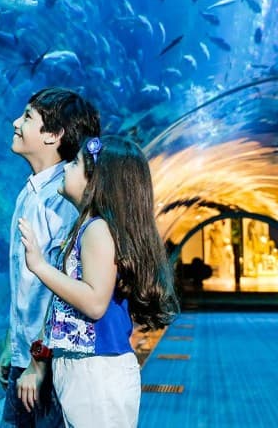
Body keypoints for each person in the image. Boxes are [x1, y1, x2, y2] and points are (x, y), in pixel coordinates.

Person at [18, 136, 180, 427]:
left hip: (97, 371)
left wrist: (40, 266)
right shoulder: (86, 227)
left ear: (95, 181)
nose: (67, 167)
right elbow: (62, 308)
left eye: (77, 162)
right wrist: (41, 360)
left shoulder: (97, 230)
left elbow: (94, 303)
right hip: (87, 368)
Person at [0, 87, 100, 428]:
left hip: (49, 364)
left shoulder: (62, 202)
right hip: (27, 356)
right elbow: (26, 286)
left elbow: (65, 291)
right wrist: (11, 344)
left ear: (53, 136)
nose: (16, 122)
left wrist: (39, 363)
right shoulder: (29, 193)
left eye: (27, 118)